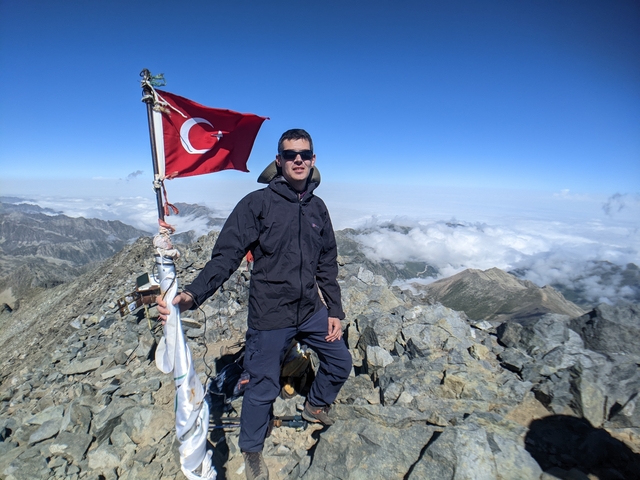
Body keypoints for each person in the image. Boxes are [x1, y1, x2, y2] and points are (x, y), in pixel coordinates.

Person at [157, 129, 352, 480]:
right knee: (262, 387)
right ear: (278, 161)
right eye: (290, 154)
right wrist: (192, 295)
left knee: (340, 361)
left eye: (304, 154)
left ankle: (315, 405)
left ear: (313, 160)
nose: (298, 160)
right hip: (270, 314)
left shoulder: (318, 208)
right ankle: (252, 450)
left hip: (309, 310)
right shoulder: (257, 204)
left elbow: (327, 262)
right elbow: (226, 256)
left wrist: (334, 310)